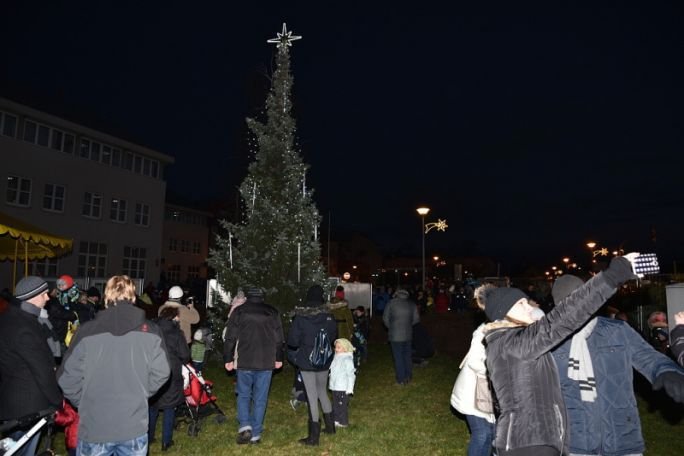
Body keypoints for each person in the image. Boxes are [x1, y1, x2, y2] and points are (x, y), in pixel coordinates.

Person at [482, 254, 639, 456]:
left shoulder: (512, 342)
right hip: (528, 444)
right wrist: (611, 277)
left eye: (526, 302)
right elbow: (564, 317)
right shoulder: (513, 343)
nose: (529, 307)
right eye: (521, 304)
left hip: (536, 441)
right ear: (505, 312)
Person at [551, 275, 684, 456]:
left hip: (622, 437)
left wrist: (667, 371)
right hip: (574, 443)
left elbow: (648, 356)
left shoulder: (617, 330)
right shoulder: (550, 341)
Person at [57, 275, 170, 456]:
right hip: (132, 425)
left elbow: (66, 378)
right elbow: (162, 372)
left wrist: (84, 401)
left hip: (95, 426)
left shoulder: (86, 331)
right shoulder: (152, 332)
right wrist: (140, 392)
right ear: (133, 297)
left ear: (107, 297)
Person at [0, 276, 63, 456]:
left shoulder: (9, 318)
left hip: (13, 402)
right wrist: (58, 402)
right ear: (32, 296)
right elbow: (42, 371)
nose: (47, 298)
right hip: (29, 407)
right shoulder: (24, 327)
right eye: (44, 294)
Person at [223, 287, 284, 445]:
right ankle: (255, 434)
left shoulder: (239, 311)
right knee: (260, 398)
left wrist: (228, 358)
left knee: (243, 395)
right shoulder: (272, 312)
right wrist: (278, 357)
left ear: (248, 297)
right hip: (266, 361)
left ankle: (245, 426)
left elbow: (230, 337)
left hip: (245, 360)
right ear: (263, 297)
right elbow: (279, 338)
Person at [287, 285, 338, 445]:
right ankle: (330, 427)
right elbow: (333, 336)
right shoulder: (328, 315)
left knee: (311, 395)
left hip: (307, 360)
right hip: (323, 360)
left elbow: (293, 341)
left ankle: (313, 437)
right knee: (322, 391)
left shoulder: (301, 317)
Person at [451, 285, 496, 456]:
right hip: (474, 391)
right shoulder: (483, 332)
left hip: (488, 392)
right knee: (483, 433)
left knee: (491, 433)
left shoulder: (502, 328)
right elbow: (475, 361)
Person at [149, 306, 190, 452]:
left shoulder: (151, 329)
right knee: (169, 407)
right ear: (174, 317)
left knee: (152, 405)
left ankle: (149, 436)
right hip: (171, 373)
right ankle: (166, 441)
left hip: (153, 371)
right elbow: (185, 355)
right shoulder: (176, 333)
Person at [383, 288, 419, 385]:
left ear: (396, 294)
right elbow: (416, 319)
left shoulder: (391, 303)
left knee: (398, 357)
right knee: (407, 356)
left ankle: (401, 379)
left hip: (395, 335)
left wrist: (392, 327)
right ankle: (408, 376)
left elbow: (385, 319)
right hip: (408, 334)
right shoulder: (411, 304)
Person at [328, 338, 356, 428]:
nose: (336, 349)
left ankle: (343, 422)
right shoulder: (336, 358)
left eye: (339, 347)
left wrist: (350, 388)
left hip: (343, 387)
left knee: (342, 405)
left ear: (345, 348)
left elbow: (351, 375)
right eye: (335, 347)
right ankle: (336, 420)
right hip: (335, 387)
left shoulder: (347, 360)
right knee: (335, 404)